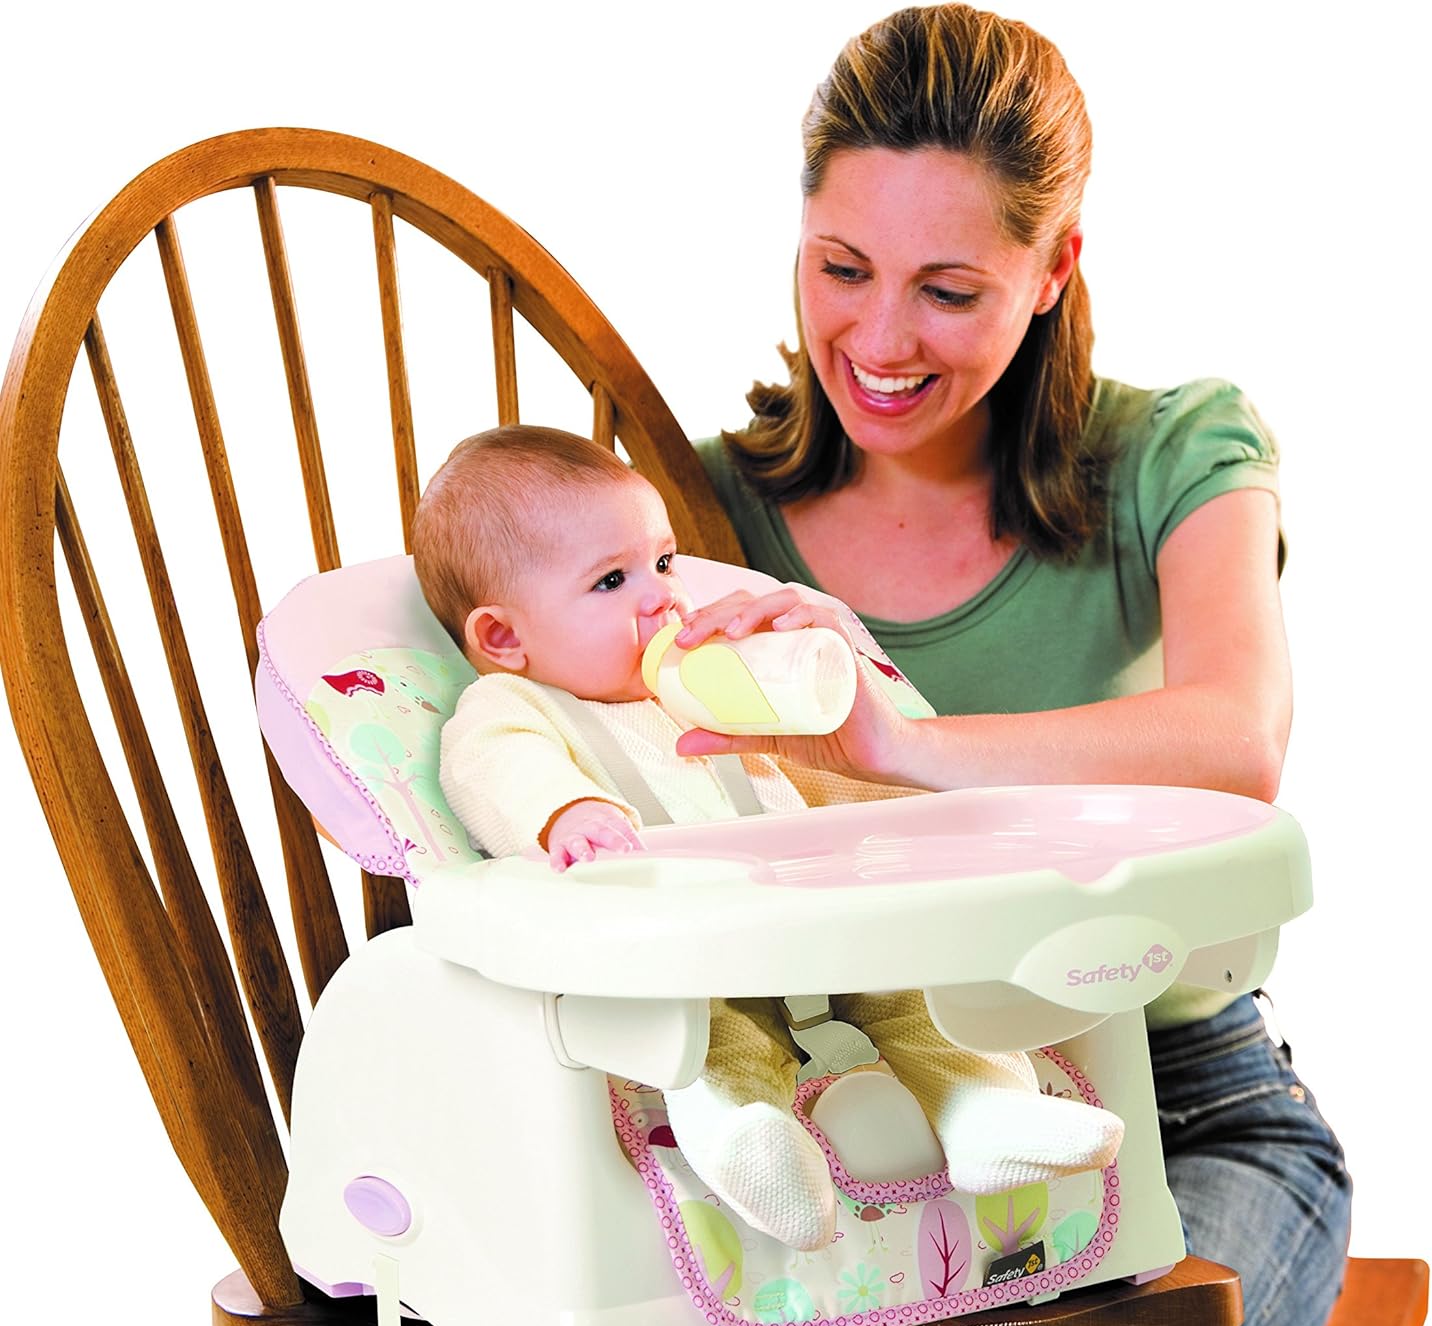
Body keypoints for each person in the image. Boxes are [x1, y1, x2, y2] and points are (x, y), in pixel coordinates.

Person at [664, 5, 1353, 1326]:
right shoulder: (699, 514)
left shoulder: (1179, 455)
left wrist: (897, 742)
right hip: (873, 1118)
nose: (878, 339)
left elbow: (1236, 738)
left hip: (1191, 1110)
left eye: (949, 289)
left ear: (1052, 272)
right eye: (841, 267)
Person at [413, 421, 1125, 1253]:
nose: (663, 598)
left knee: (923, 997)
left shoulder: (711, 694)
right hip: (689, 962)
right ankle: (751, 1145)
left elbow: (834, 782)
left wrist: (880, 770)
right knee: (714, 1049)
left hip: (822, 927)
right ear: (504, 638)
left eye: (665, 562)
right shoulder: (519, 707)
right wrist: (565, 813)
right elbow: (491, 766)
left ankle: (987, 1112)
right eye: (612, 580)